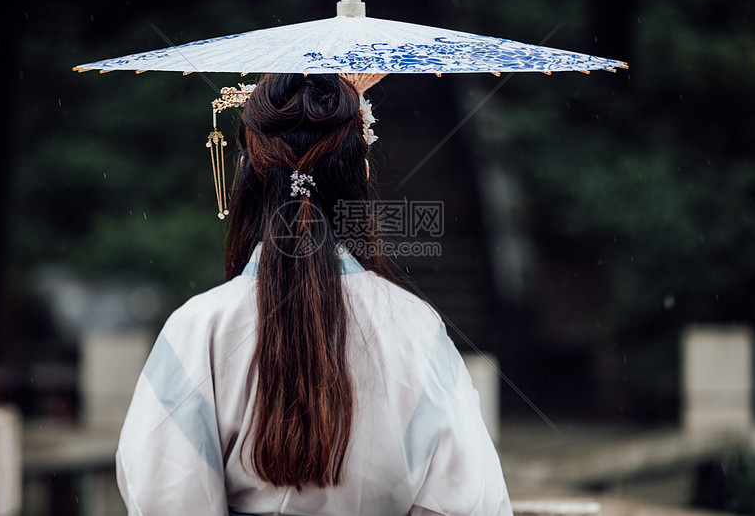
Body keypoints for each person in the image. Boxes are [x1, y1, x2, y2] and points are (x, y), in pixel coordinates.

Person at [115, 73, 513, 515]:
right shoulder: (416, 326)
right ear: (360, 173)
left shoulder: (198, 326)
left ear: (248, 174)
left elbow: (165, 494)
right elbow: (468, 499)